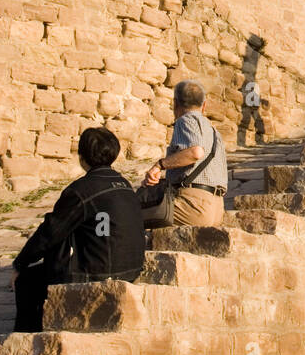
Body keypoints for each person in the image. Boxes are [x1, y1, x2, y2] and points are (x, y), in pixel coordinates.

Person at [12, 127, 146, 333]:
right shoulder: (126, 185)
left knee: (27, 281)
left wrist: (20, 263)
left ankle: (28, 338)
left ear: (82, 158)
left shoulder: (81, 190)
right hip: (130, 270)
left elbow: (50, 232)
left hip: (96, 274)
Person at [142, 80, 228, 226]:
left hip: (193, 205)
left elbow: (196, 152)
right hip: (217, 209)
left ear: (175, 103)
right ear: (204, 105)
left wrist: (160, 165)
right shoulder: (214, 132)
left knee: (129, 212)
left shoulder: (186, 120)